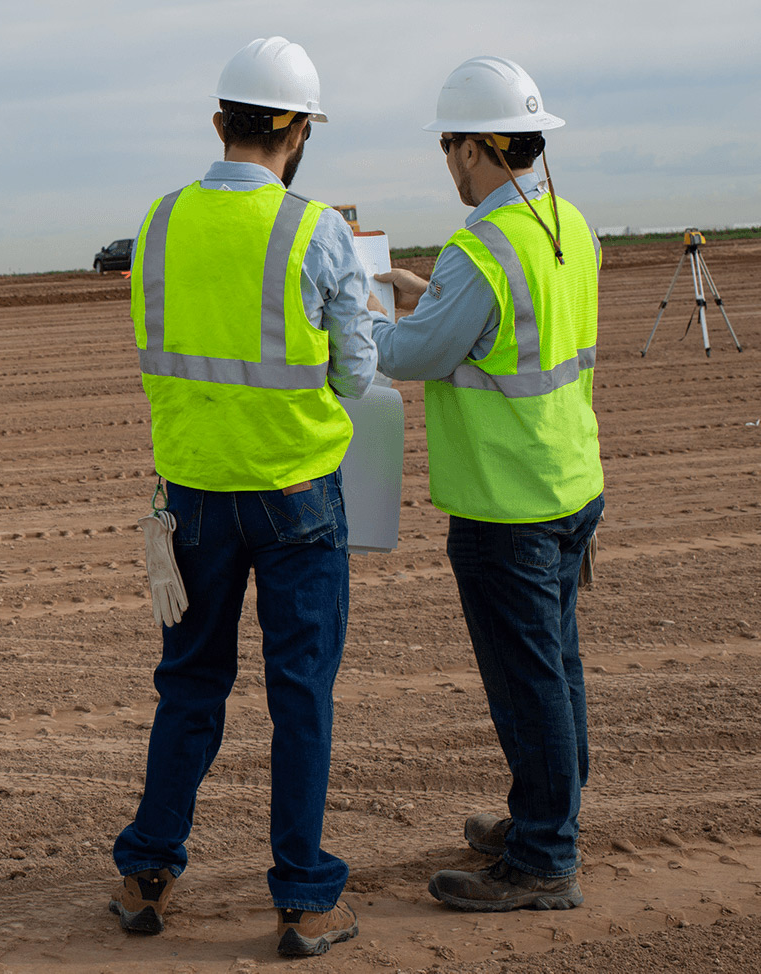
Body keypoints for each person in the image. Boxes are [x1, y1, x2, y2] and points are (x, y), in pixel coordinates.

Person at [109, 36, 382, 958]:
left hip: (188, 496)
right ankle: (303, 903)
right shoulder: (316, 231)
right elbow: (354, 372)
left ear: (219, 122)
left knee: (189, 687)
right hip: (296, 498)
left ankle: (146, 874)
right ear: (298, 130)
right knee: (299, 696)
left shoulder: (156, 223)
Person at [372, 56, 603, 913]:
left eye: (446, 144)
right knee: (558, 665)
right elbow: (517, 334)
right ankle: (550, 813)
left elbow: (413, 354)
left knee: (527, 679)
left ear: (476, 147)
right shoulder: (566, 225)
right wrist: (431, 295)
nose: (446, 161)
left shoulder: (480, 245)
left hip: (506, 503)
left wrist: (362, 317)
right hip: (571, 482)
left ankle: (545, 856)